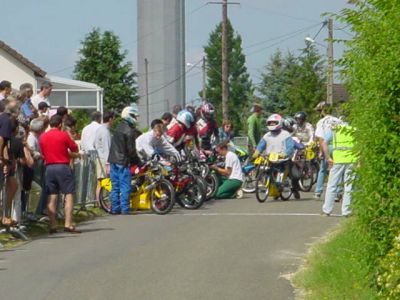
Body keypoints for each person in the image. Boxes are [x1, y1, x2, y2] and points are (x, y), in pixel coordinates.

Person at [39, 115, 80, 233]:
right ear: (60, 125)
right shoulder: (63, 135)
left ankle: (52, 225)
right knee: (69, 194)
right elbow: (74, 148)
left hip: (49, 167)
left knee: (52, 195)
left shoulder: (43, 137)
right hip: (62, 166)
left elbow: (43, 151)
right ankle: (68, 224)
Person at [253, 114, 305, 199]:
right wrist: (257, 152)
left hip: (284, 160)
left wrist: (286, 153)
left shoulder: (285, 134)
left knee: (296, 175)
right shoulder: (267, 135)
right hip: (271, 159)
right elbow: (261, 145)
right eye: (270, 123)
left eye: (274, 123)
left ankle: (295, 189)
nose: (272, 125)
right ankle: (274, 188)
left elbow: (290, 146)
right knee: (265, 170)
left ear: (279, 123)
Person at [108, 106, 141, 215]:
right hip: (122, 161)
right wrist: (137, 161)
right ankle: (125, 209)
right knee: (125, 185)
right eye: (134, 116)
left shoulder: (118, 127)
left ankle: (115, 209)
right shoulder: (129, 131)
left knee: (115, 186)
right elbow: (131, 150)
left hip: (113, 159)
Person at [321, 124, 356, 216]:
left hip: (337, 160)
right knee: (349, 187)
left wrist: (328, 157)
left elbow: (324, 143)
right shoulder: (355, 130)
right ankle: (346, 211)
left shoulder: (335, 130)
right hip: (352, 160)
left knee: (332, 185)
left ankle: (327, 210)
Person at [314, 102, 343, 199]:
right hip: (338, 145)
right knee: (337, 169)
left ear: (323, 111)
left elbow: (321, 138)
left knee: (322, 169)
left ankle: (318, 192)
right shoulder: (338, 121)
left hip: (327, 145)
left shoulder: (321, 122)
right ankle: (337, 193)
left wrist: (321, 152)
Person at [94, 111, 114, 203]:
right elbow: (107, 148)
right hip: (104, 159)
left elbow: (94, 143)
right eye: (113, 119)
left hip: (99, 157)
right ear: (110, 119)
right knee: (103, 182)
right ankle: (101, 202)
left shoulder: (99, 129)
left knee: (100, 182)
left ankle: (99, 202)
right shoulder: (105, 131)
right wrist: (108, 163)